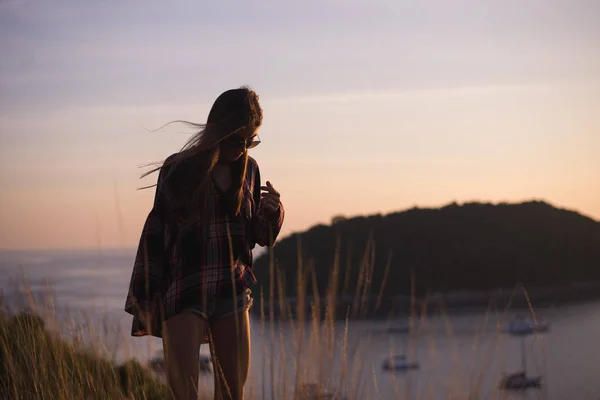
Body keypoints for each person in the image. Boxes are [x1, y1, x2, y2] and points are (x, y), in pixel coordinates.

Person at [124, 87, 285, 400]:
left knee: (231, 393)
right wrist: (145, 298)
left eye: (250, 140)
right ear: (218, 130)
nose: (243, 148)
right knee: (182, 393)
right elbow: (156, 232)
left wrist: (273, 212)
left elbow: (258, 238)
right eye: (237, 139)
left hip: (232, 289)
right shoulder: (179, 168)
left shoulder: (250, 170)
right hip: (185, 289)